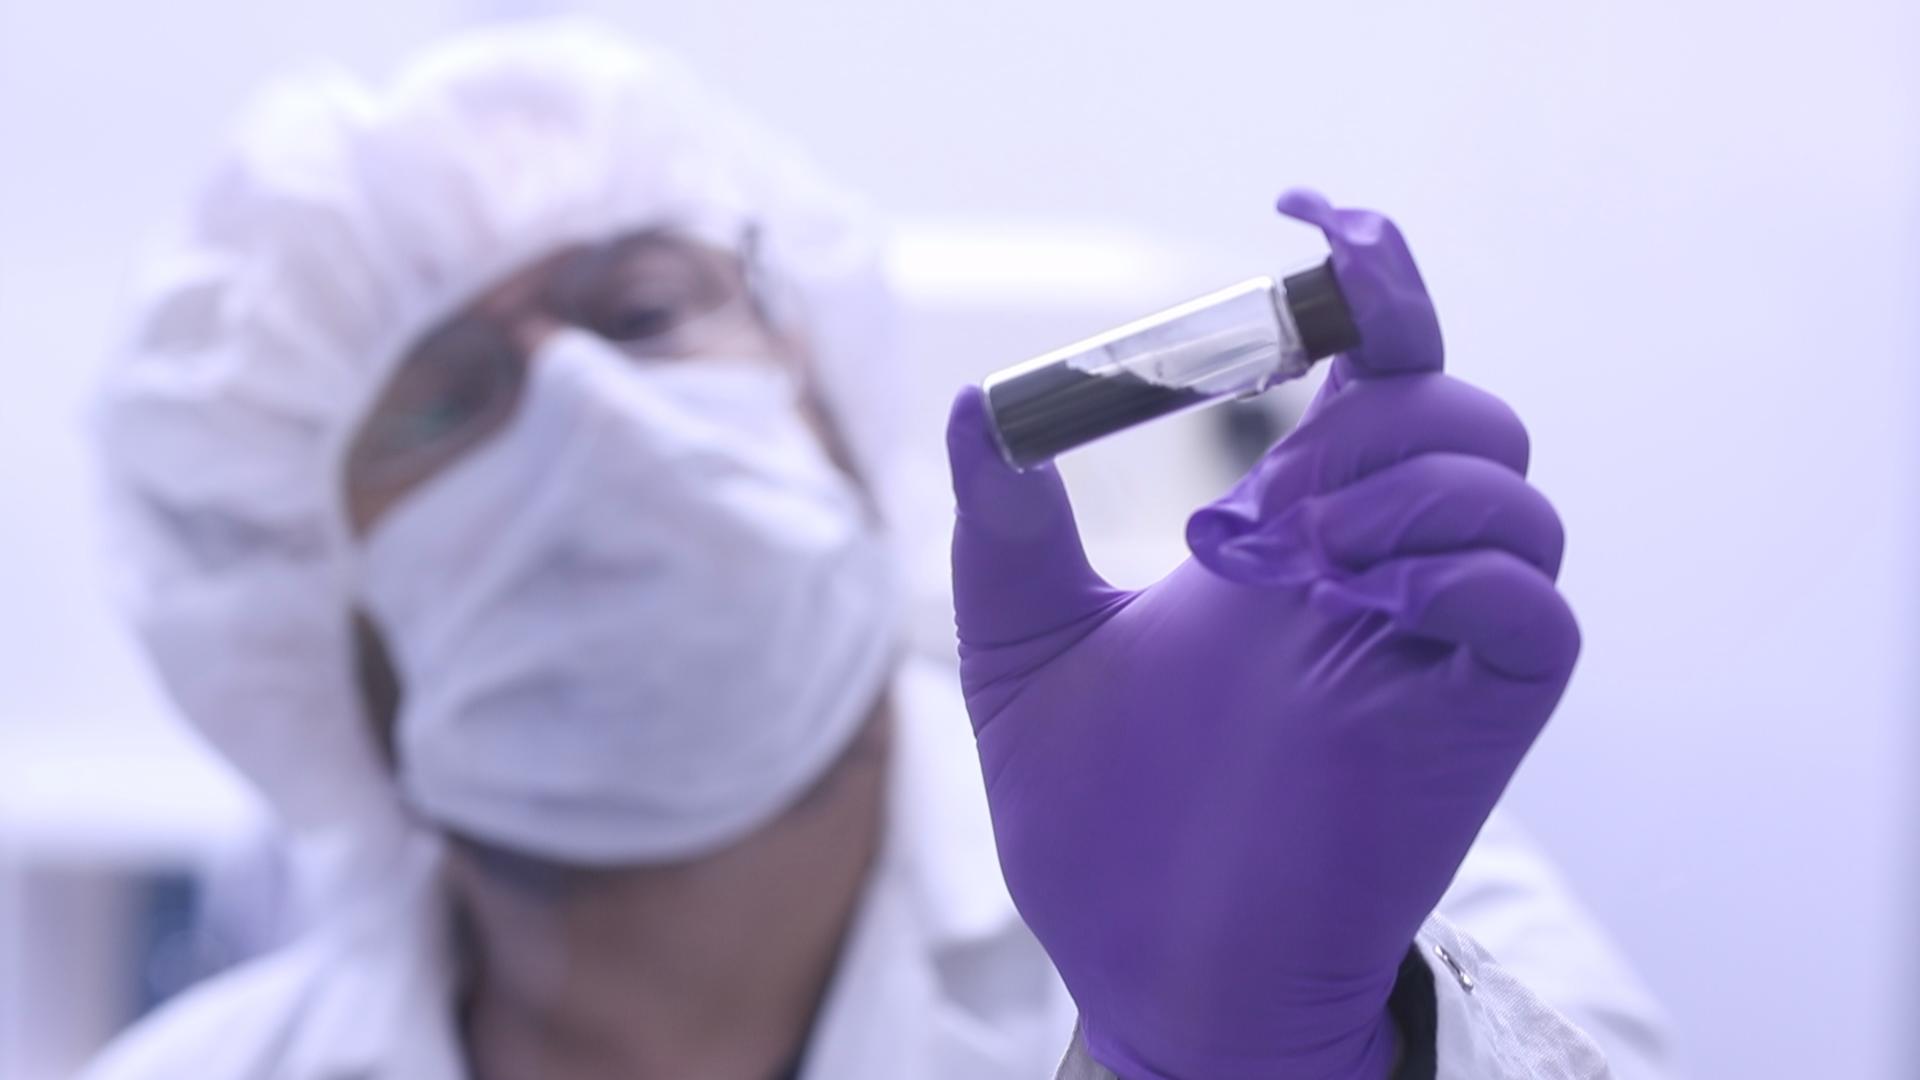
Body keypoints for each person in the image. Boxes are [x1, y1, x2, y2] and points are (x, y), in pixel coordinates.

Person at [78, 19, 1676, 1080]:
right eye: (448, 407)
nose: (588, 414)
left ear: (834, 411)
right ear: (311, 635)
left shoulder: (1310, 871)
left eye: (644, 312)